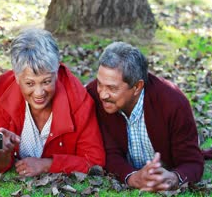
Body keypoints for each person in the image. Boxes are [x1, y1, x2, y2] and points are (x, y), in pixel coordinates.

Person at [0, 28, 105, 176]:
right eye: (29, 84)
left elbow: (94, 161)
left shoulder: (79, 99)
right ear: (16, 77)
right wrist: (2, 152)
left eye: (46, 81)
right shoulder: (3, 90)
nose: (39, 92)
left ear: (57, 72)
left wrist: (48, 165)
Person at [86, 42, 204, 192]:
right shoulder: (92, 96)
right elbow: (107, 152)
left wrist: (173, 178)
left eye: (112, 88)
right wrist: (132, 177)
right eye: (100, 84)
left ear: (137, 87)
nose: (102, 94)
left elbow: (192, 162)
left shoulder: (173, 102)